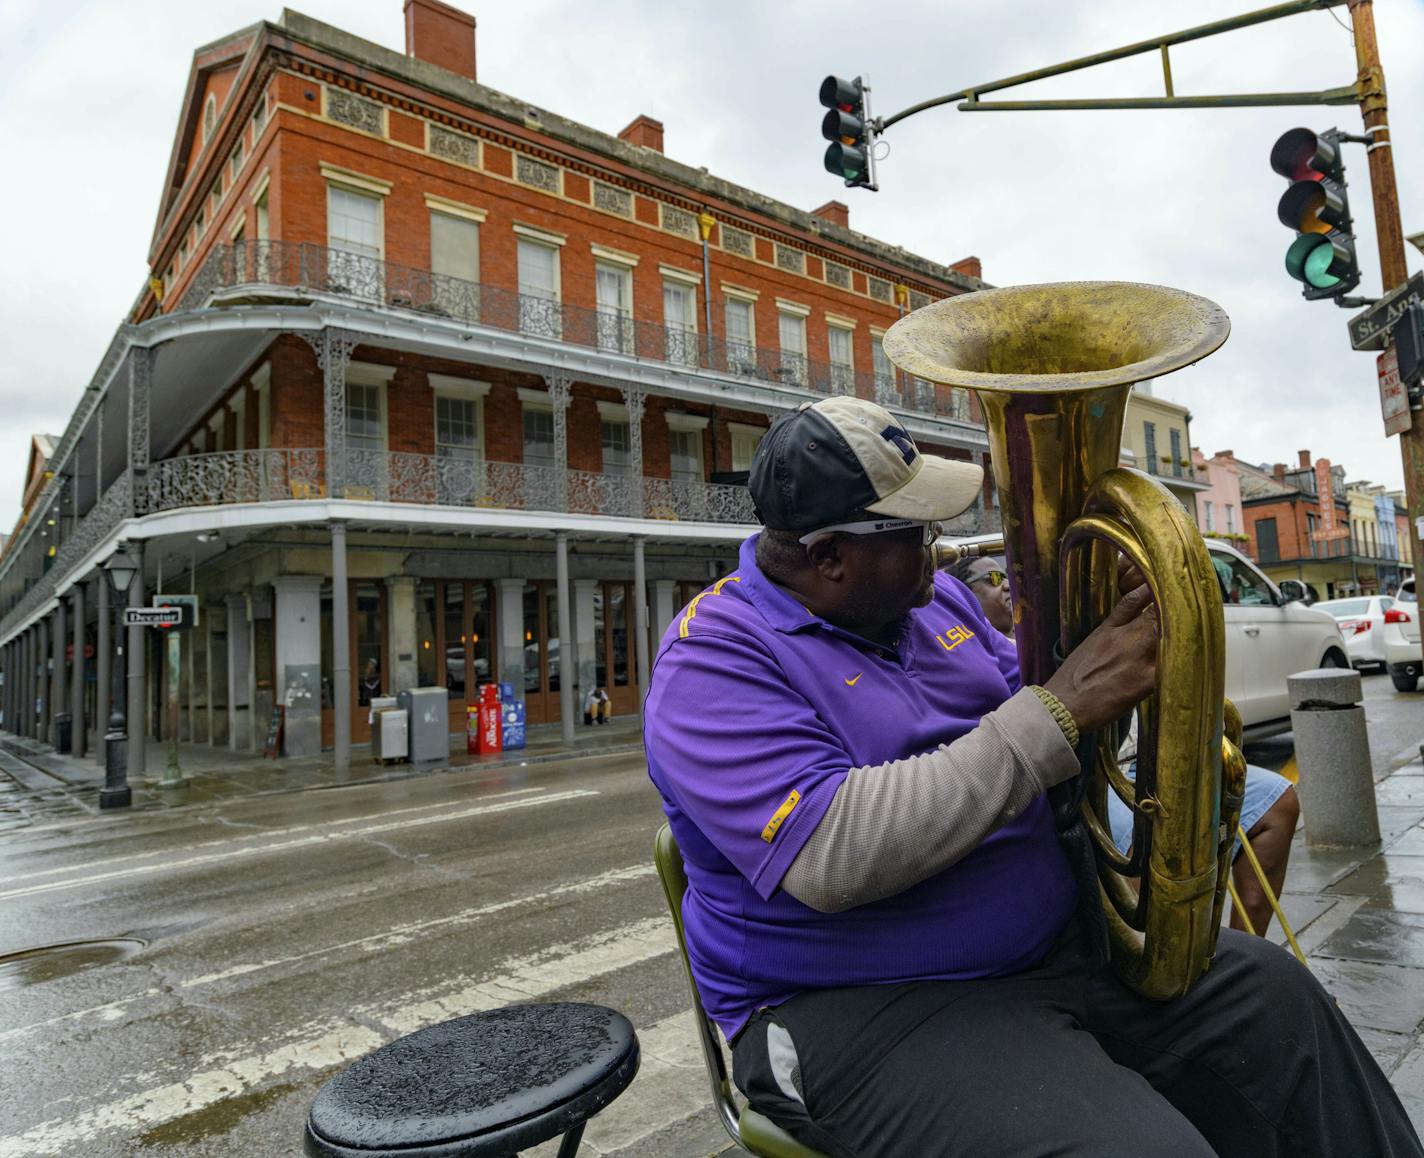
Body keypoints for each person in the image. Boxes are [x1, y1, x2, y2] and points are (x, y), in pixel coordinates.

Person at [644, 397, 1420, 1158]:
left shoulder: (931, 601)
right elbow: (834, 851)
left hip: (1051, 954)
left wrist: (1112, 623)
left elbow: (1036, 713)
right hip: (856, 1006)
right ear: (829, 558)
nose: (942, 546)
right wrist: (1065, 704)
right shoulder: (712, 657)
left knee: (1283, 1005)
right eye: (915, 531)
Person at [951, 552, 1301, 935]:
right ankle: (1160, 951)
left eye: (1008, 576)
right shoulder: (977, 647)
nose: (1006, 585)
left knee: (1278, 802)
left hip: (1133, 758)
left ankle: (1242, 943)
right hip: (1084, 775)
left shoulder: (1049, 627)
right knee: (1147, 846)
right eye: (993, 578)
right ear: (964, 597)